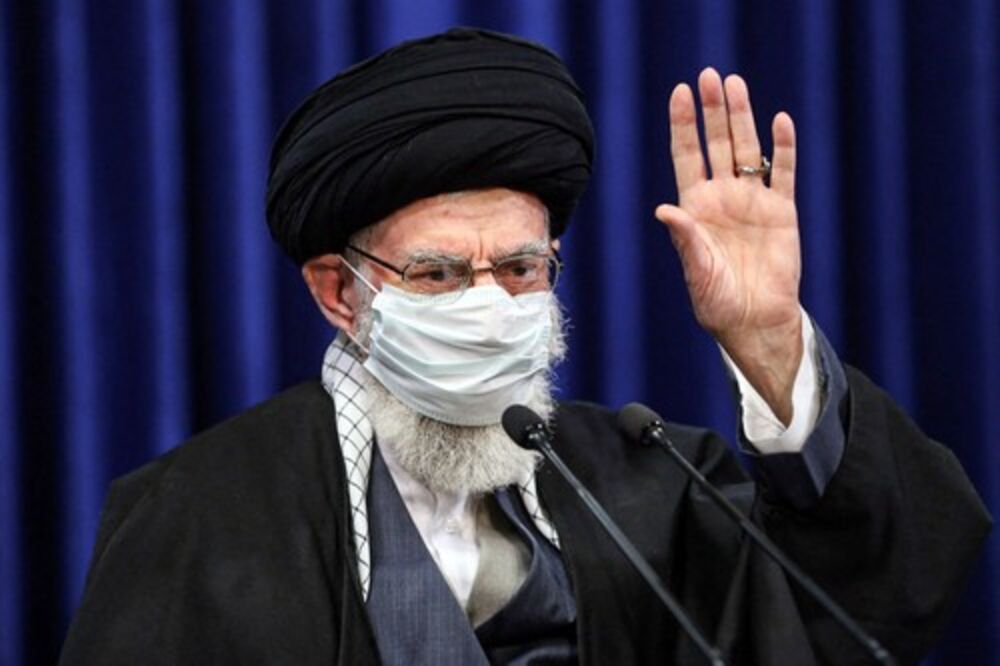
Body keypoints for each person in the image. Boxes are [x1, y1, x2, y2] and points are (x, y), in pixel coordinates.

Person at [59, 27, 989, 666]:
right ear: (340, 292)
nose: (488, 305)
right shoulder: (196, 515)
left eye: (518, 268)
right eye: (437, 274)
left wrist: (769, 339)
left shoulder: (645, 483)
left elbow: (853, 604)